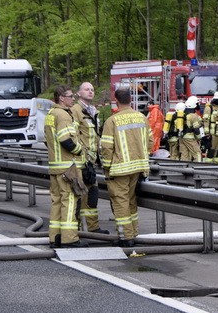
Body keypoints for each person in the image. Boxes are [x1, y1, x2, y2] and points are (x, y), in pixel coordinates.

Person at [99, 87, 151, 248]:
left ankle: (125, 237)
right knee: (130, 200)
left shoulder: (112, 121)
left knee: (120, 202)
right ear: (130, 99)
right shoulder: (142, 117)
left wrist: (107, 168)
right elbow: (150, 142)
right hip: (139, 167)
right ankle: (134, 232)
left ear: (116, 100)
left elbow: (106, 148)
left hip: (119, 169)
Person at [44, 85, 85, 248]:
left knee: (56, 202)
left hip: (55, 167)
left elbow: (48, 141)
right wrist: (80, 150)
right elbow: (66, 140)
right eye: (70, 96)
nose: (72, 99)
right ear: (61, 98)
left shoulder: (50, 114)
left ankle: (55, 237)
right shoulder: (63, 115)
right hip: (68, 167)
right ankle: (70, 239)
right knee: (69, 202)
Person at [71, 81, 107, 234]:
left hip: (91, 161)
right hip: (80, 161)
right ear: (79, 93)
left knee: (92, 195)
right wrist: (81, 154)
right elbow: (71, 135)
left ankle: (93, 228)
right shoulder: (75, 111)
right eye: (86, 89)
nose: (90, 92)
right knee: (79, 196)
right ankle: (76, 229)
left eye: (92, 89)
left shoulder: (92, 111)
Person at [178, 96, 204, 162]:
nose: (198, 105)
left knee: (185, 154)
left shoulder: (184, 114)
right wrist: (199, 138)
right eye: (197, 103)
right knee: (197, 153)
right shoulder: (193, 116)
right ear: (194, 105)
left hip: (182, 136)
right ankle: (198, 168)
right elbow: (196, 129)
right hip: (190, 137)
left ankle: (184, 169)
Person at [204, 92, 218, 162]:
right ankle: (208, 165)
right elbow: (206, 121)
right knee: (211, 149)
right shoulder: (209, 108)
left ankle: (217, 164)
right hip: (212, 133)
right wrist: (207, 133)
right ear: (217, 100)